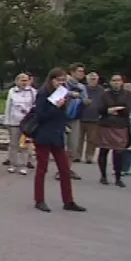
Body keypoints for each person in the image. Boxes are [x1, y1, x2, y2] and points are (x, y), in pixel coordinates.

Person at [32, 68, 86, 213]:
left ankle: (68, 201)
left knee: (64, 169)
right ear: (51, 79)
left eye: (63, 80)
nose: (60, 83)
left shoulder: (62, 93)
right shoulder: (43, 93)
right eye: (58, 80)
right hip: (44, 135)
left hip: (57, 135)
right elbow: (41, 116)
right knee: (42, 169)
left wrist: (64, 124)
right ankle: (39, 200)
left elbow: (62, 114)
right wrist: (56, 106)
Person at [96, 74, 131, 187]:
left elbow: (128, 109)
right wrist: (109, 110)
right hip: (106, 125)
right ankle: (103, 176)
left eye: (118, 80)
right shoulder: (104, 94)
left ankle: (118, 178)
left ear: (122, 82)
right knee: (104, 151)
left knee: (119, 152)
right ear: (110, 82)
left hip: (121, 126)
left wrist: (114, 109)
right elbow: (100, 109)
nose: (116, 82)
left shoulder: (127, 94)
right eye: (114, 80)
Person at [3, 74, 37, 175]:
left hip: (27, 123)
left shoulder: (32, 92)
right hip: (14, 121)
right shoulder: (12, 91)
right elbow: (8, 106)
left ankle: (23, 165)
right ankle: (12, 164)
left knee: (25, 145)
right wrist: (7, 121)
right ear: (17, 81)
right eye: (22, 80)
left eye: (26, 80)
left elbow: (36, 106)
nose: (24, 82)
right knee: (14, 144)